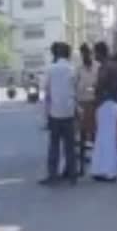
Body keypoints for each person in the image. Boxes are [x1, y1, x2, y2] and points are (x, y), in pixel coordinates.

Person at [40, 42, 77, 185]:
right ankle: (72, 176)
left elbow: (44, 87)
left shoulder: (51, 69)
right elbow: (76, 87)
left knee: (54, 145)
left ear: (57, 54)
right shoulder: (72, 69)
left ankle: (52, 176)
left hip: (55, 112)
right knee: (70, 146)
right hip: (69, 111)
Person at [90, 41, 117, 182]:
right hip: (109, 103)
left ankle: (109, 172)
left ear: (99, 52)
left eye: (95, 52)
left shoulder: (106, 67)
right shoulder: (111, 66)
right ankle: (102, 170)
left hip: (106, 103)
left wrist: (95, 87)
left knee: (106, 139)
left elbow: (101, 84)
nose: (94, 55)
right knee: (104, 139)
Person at [75, 44, 99, 145]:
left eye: (86, 53)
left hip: (94, 101)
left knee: (94, 129)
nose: (85, 56)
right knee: (83, 129)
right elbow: (75, 84)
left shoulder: (97, 66)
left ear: (90, 54)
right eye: (83, 54)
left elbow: (98, 83)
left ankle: (95, 153)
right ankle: (82, 153)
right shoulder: (79, 68)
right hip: (82, 101)